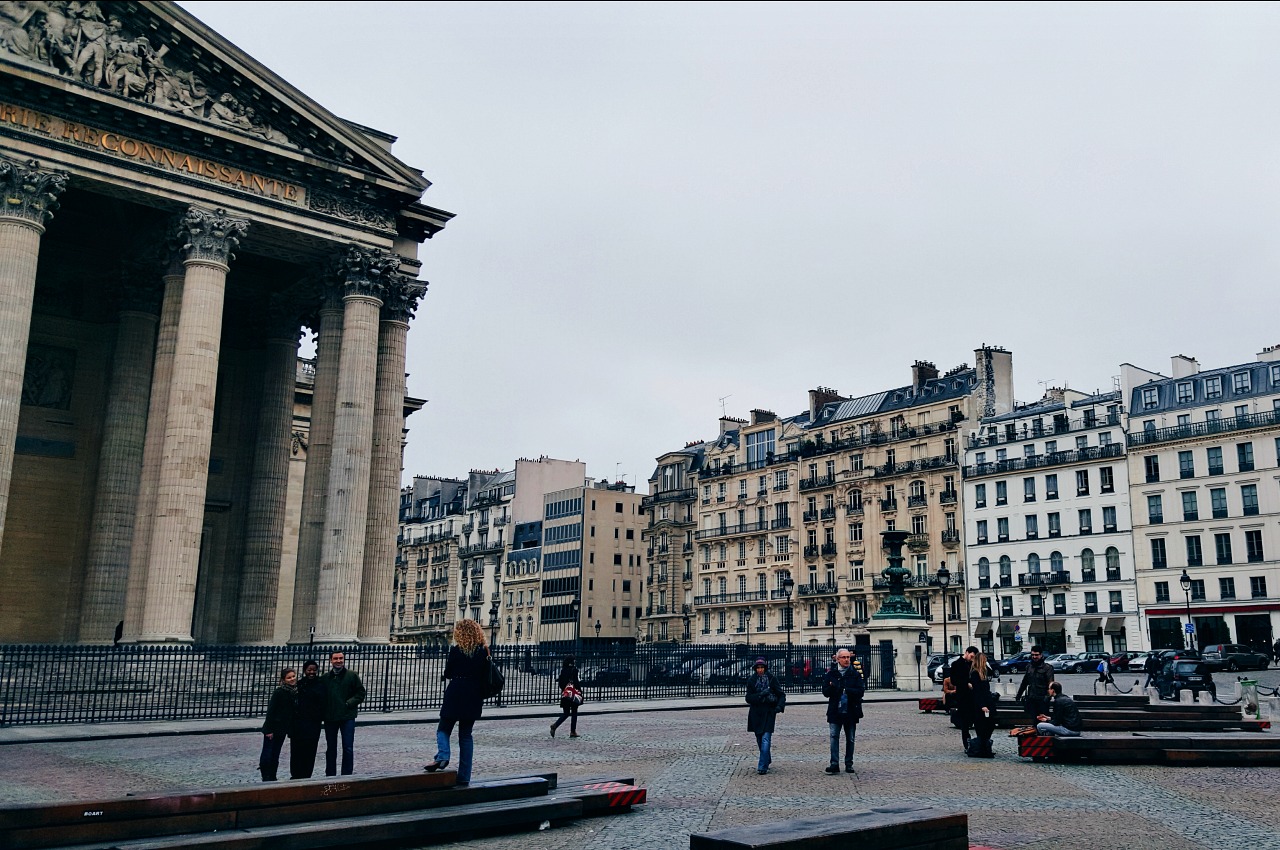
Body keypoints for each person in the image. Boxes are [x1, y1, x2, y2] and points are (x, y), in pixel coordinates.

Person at [425, 619, 489, 786]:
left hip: (456, 691)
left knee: (443, 728)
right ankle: (464, 776)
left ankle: (443, 755)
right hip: (474, 695)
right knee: (466, 735)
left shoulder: (456, 650)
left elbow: (448, 673)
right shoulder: (483, 651)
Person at [821, 648, 865, 774]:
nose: (846, 660)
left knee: (850, 738)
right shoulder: (831, 674)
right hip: (835, 710)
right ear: (837, 659)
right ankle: (834, 763)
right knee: (834, 736)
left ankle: (849, 763)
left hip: (851, 710)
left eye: (848, 657)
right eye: (844, 657)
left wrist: (845, 690)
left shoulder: (855, 674)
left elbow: (860, 691)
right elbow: (825, 692)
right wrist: (834, 688)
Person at [322, 650, 366, 776]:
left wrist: (349, 704)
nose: (338, 661)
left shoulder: (352, 675)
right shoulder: (325, 678)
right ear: (331, 660)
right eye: (335, 658)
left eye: (341, 658)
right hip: (330, 717)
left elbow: (360, 693)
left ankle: (347, 774)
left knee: (347, 747)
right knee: (331, 748)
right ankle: (330, 774)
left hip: (347, 717)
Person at [744, 657, 785, 775]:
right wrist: (760, 694)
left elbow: (781, 694)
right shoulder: (752, 680)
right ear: (755, 669)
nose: (760, 670)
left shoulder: (772, 679)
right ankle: (766, 758)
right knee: (759, 738)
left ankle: (762, 766)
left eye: (762, 668)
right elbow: (748, 698)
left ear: (765, 668)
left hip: (769, 712)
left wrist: (779, 707)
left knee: (766, 738)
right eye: (758, 668)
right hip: (756, 713)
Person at [259, 668, 296, 782]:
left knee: (275, 753)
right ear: (283, 680)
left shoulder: (294, 691)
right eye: (289, 677)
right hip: (273, 728)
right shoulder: (279, 692)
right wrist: (269, 729)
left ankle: (272, 775)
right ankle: (266, 775)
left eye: (293, 676)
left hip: (282, 728)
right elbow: (271, 711)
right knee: (268, 753)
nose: (292, 679)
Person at [290, 659, 325, 779]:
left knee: (310, 752)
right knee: (296, 751)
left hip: (313, 725)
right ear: (305, 671)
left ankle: (306, 775)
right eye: (309, 670)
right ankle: (295, 775)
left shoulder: (321, 685)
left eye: (314, 670)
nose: (312, 672)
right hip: (298, 725)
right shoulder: (299, 684)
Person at [967, 651, 998, 758]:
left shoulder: (982, 673)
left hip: (987, 701)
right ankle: (983, 749)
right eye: (984, 660)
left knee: (989, 725)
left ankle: (985, 748)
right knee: (983, 727)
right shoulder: (975, 674)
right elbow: (977, 692)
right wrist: (982, 705)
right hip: (982, 704)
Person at [947, 648, 976, 752]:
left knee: (974, 719)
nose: (972, 659)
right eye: (971, 656)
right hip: (963, 696)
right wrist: (965, 683)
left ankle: (978, 742)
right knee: (965, 722)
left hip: (973, 696)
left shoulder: (973, 664)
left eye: (974, 657)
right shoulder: (956, 664)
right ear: (967, 653)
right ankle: (967, 743)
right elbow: (954, 680)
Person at [1015, 646, 1055, 721]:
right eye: (1032, 655)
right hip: (1031, 698)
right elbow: (1024, 682)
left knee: (1043, 721)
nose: (1034, 657)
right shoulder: (1029, 667)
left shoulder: (1048, 668)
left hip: (1042, 699)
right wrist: (1018, 695)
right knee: (1034, 720)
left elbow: (1051, 684)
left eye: (1036, 655)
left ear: (1041, 655)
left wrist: (1047, 698)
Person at [550, 655, 582, 738]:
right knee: (574, 712)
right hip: (573, 694)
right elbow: (576, 683)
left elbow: (561, 683)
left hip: (565, 694)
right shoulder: (574, 670)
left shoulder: (563, 670)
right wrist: (579, 692)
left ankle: (555, 725)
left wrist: (565, 689)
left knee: (566, 713)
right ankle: (572, 731)